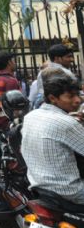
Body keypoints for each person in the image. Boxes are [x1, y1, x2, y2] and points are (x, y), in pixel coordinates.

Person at [21, 68, 84, 209]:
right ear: (53, 98)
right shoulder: (67, 123)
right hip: (69, 191)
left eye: (78, 95)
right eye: (70, 96)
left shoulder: (31, 116)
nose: (77, 100)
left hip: (39, 185)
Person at [30, 44, 76, 109]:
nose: (71, 59)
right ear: (57, 58)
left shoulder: (41, 72)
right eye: (68, 57)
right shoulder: (66, 73)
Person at [0, 51, 21, 129]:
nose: (15, 63)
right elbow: (15, 108)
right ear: (9, 62)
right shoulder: (11, 81)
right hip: (9, 125)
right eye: (13, 60)